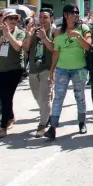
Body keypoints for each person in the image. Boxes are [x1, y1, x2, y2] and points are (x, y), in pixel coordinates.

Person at [45, 4, 92, 139]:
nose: (76, 15)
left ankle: (82, 122)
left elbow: (88, 47)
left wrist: (79, 36)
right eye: (72, 13)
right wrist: (52, 70)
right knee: (58, 97)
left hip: (80, 68)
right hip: (62, 69)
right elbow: (56, 52)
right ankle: (53, 126)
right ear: (65, 15)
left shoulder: (83, 28)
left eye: (77, 12)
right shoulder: (58, 32)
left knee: (80, 96)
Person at [0, 9, 26, 138]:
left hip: (14, 70)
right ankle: (10, 116)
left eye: (16, 18)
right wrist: (3, 36)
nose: (14, 21)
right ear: (4, 20)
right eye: (11, 18)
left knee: (7, 97)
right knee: (3, 97)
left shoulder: (20, 33)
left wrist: (9, 34)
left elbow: (17, 47)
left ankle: (3, 127)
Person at [23, 8, 55, 138]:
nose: (42, 20)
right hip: (34, 68)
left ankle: (42, 125)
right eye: (40, 17)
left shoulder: (55, 31)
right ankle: (46, 115)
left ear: (51, 18)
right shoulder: (33, 31)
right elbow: (25, 48)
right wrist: (30, 36)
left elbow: (54, 49)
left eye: (45, 17)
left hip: (48, 68)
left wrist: (45, 38)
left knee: (46, 96)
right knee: (38, 97)